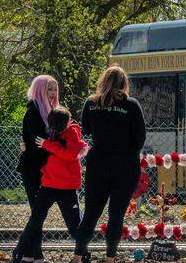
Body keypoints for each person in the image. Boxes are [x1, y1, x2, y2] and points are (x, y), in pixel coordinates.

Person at [71, 66, 145, 263]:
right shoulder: (131, 105)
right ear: (124, 83)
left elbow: (86, 130)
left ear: (103, 81)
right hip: (126, 165)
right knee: (116, 214)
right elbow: (140, 140)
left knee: (91, 214)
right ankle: (110, 258)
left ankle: (77, 257)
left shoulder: (91, 103)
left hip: (98, 163)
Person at [13, 106, 86, 263]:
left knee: (74, 224)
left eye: (63, 123)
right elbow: (36, 145)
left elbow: (70, 155)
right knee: (36, 219)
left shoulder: (72, 133)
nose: (58, 127)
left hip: (67, 187)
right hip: (48, 185)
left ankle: (83, 255)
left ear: (68, 121)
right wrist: (26, 146)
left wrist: (48, 145)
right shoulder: (50, 133)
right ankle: (24, 253)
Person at [14, 75, 59, 262]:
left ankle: (27, 254)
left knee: (39, 213)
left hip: (46, 169)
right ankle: (28, 252)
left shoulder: (52, 112)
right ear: (40, 89)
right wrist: (56, 144)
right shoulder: (33, 111)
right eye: (49, 89)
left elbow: (49, 141)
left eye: (55, 89)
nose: (53, 93)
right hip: (33, 169)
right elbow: (38, 142)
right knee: (38, 212)